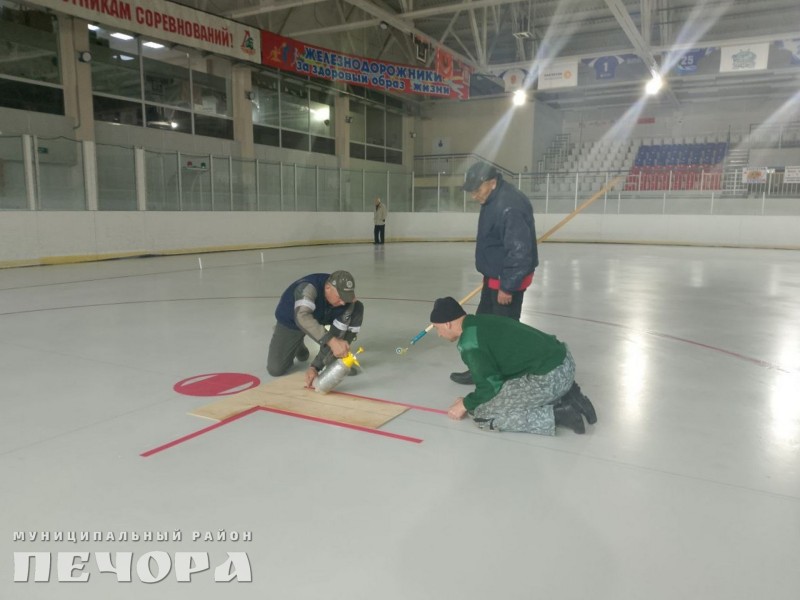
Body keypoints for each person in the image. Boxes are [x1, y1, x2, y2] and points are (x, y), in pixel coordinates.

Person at [430, 296, 596, 435]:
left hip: (551, 378)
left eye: (437, 328)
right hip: (565, 362)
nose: (439, 334)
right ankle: (573, 396)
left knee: (482, 414)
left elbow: (489, 387)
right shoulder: (481, 321)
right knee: (495, 395)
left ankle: (560, 415)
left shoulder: (469, 343)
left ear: (447, 324)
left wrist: (465, 404)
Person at [450, 161, 539, 385]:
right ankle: (480, 370)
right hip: (494, 277)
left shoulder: (510, 205)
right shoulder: (492, 198)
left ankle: (502, 378)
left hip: (506, 282)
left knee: (502, 332)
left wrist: (507, 286)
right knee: (483, 325)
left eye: (476, 190)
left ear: (491, 182)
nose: (474, 196)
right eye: (471, 191)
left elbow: (520, 252)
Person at [267, 271, 363, 387]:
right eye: (340, 297)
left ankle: (335, 358)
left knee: (356, 308)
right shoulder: (308, 288)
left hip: (323, 316)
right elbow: (302, 317)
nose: (343, 302)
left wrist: (315, 367)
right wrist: (331, 341)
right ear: (328, 288)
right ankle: (296, 342)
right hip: (293, 321)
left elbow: (338, 335)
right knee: (276, 369)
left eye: (346, 297)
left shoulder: (344, 302)